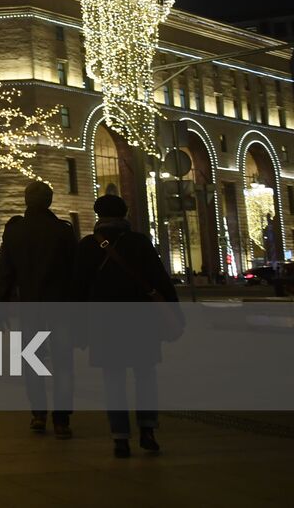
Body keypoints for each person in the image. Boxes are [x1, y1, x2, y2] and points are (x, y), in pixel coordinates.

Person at [74, 194, 179, 458]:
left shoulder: (88, 246)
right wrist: (175, 315)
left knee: (113, 380)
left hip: (104, 324)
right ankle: (148, 430)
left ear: (98, 215)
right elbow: (160, 280)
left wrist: (78, 328)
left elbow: (78, 289)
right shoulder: (139, 242)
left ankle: (120, 437)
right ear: (124, 214)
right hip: (140, 321)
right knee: (145, 376)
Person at [0, 180, 78, 438]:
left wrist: (0, 306)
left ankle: (38, 415)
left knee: (33, 362)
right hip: (60, 307)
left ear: (26, 201)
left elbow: (5, 272)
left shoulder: (15, 231)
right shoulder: (62, 231)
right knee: (63, 363)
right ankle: (62, 419)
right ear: (50, 201)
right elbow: (75, 273)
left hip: (30, 307)